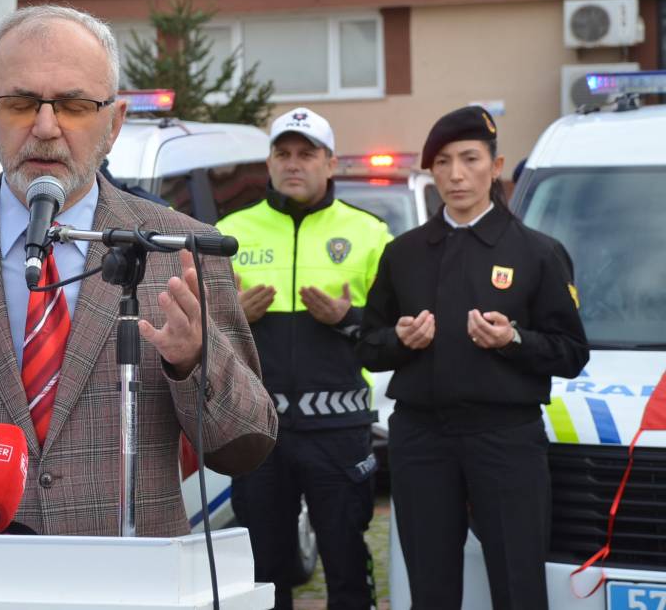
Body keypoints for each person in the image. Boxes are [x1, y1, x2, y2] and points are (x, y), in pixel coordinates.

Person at [0, 4, 276, 536]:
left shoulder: (180, 248)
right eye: (21, 102)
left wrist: (194, 362)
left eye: (74, 105)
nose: (46, 128)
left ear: (114, 123)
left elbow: (247, 443)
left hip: (127, 580)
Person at [356, 105, 589, 610]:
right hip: (422, 438)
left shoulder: (537, 252)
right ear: (431, 171)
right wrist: (400, 340)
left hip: (505, 436)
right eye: (443, 162)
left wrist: (514, 341)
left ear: (496, 164)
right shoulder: (405, 253)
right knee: (430, 586)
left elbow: (572, 352)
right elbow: (368, 345)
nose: (456, 175)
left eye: (469, 159)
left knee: (518, 583)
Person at [216, 107, 391, 610]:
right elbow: (199, 328)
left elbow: (392, 335)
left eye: (306, 154)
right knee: (264, 572)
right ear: (269, 162)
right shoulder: (229, 230)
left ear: (331, 163)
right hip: (258, 431)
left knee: (345, 565)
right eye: (283, 153)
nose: (294, 164)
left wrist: (347, 317)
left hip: (337, 435)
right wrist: (235, 316)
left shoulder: (369, 233)